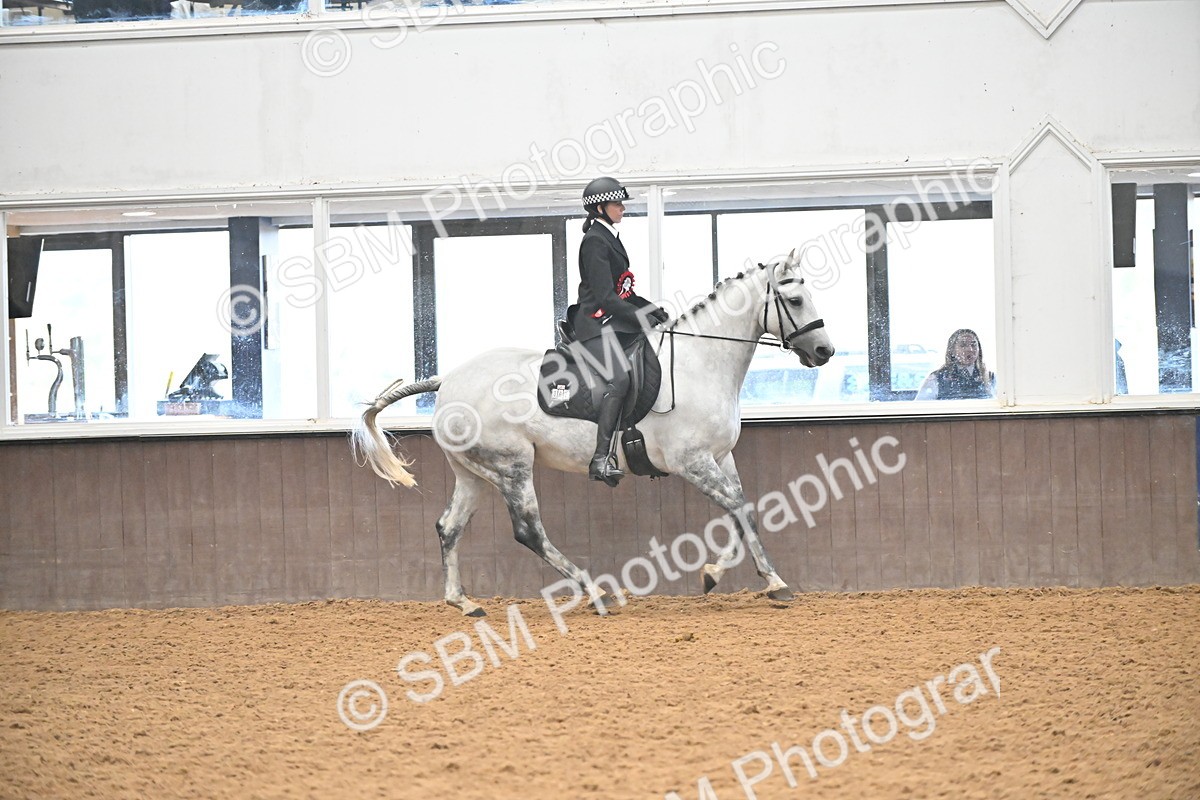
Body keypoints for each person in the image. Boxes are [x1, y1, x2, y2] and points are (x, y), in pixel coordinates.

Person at [572, 176, 669, 487]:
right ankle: (600, 457)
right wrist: (640, 317)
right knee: (620, 377)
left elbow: (623, 292)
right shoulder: (594, 242)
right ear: (600, 207)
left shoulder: (609, 236)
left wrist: (651, 309)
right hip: (593, 323)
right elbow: (605, 297)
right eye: (617, 204)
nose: (622, 208)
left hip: (611, 319)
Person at [915, 328, 995, 400]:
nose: (970, 349)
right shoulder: (937, 378)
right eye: (963, 345)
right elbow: (920, 409)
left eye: (973, 345)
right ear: (952, 350)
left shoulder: (990, 378)